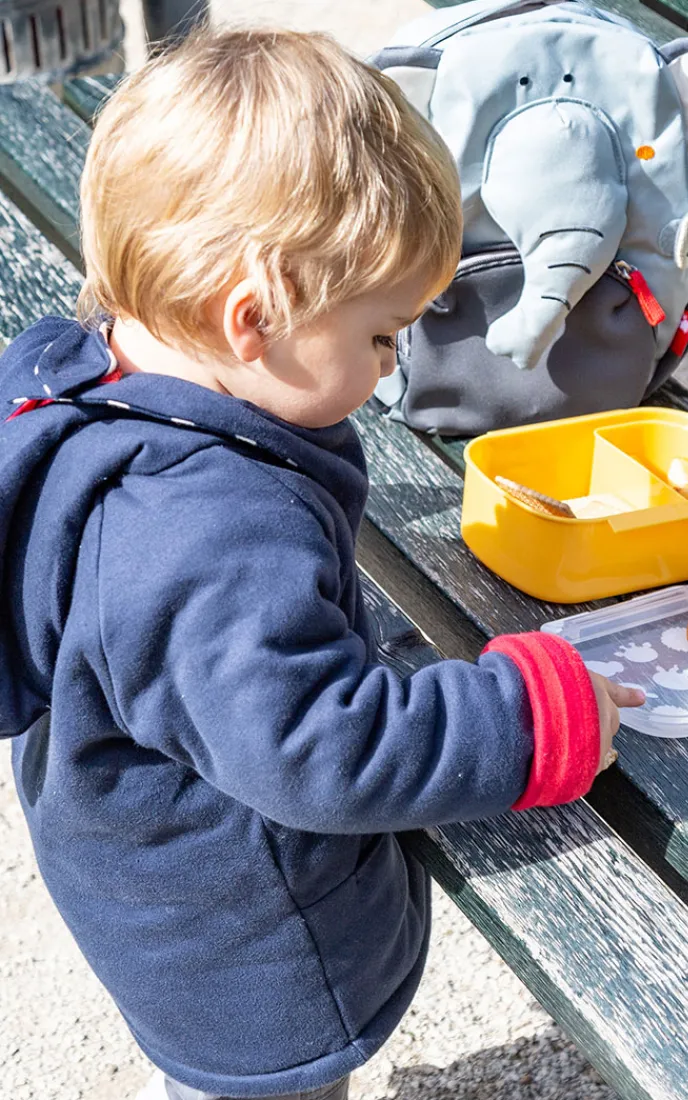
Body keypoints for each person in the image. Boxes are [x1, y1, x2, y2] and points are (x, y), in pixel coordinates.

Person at [0, 28, 643, 1100]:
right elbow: (318, 747)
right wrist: (529, 717)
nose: (392, 371)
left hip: (162, 884)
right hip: (241, 940)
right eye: (384, 336)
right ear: (251, 318)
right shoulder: (202, 536)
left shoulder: (104, 384)